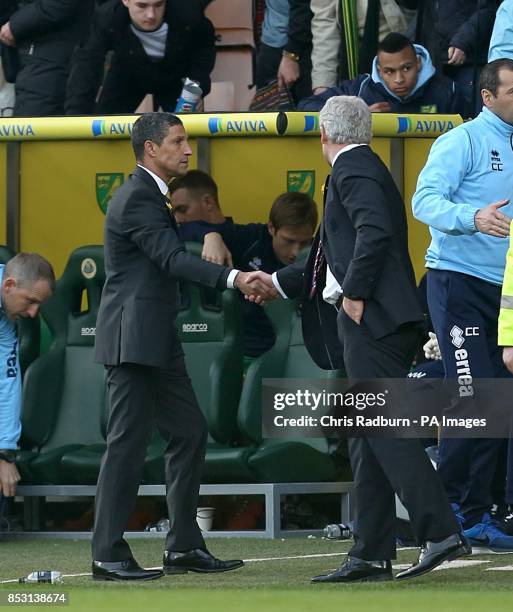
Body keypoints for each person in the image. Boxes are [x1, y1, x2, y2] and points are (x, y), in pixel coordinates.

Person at [272, 95, 466, 582]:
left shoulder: (352, 169)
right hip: (383, 319)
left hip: (372, 321)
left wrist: (355, 293)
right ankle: (371, 550)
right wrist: (276, 282)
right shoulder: (364, 165)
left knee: (381, 427)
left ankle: (438, 530)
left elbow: (372, 232)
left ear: (324, 134)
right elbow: (328, 253)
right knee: (365, 435)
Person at [91, 112, 272, 582]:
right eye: (177, 141)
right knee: (127, 445)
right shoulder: (137, 198)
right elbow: (171, 260)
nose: (187, 149)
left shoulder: (151, 196)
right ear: (151, 149)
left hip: (155, 337)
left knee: (190, 432)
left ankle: (184, 545)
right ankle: (107, 553)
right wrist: (234, 278)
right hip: (133, 339)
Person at [412, 58, 513, 552]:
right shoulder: (463, 140)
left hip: (506, 291)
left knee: (499, 400)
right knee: (474, 397)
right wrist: (472, 216)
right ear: (487, 96)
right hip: (459, 283)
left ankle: (477, 513)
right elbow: (424, 201)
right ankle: (446, 514)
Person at [168, 171, 318, 358]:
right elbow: (174, 233)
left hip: (302, 350)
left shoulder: (319, 254)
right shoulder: (250, 239)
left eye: (304, 243)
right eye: (288, 241)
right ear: (271, 228)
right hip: (249, 351)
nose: (296, 252)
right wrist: (211, 236)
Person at [65, 0, 215, 115]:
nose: (151, 15)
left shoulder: (188, 12)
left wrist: (197, 88)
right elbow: (86, 63)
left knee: (188, 128)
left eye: (158, 5)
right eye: (142, 6)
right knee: (104, 126)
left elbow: (203, 54)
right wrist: (76, 115)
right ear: (126, 1)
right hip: (128, 72)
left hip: (176, 73)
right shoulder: (107, 17)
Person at [0, 253, 55, 518]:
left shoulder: (6, 321)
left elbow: (7, 380)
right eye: (31, 301)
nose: (33, 313)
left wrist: (5, 453)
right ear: (9, 285)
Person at [299, 32, 467, 115]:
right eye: (389, 72)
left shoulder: (448, 91)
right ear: (379, 70)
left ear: (418, 63)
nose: (399, 79)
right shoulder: (360, 88)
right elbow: (306, 106)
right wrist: (357, 113)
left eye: (406, 68)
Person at [0, 0, 94, 116]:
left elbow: (63, 4)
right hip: (33, 60)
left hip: (54, 60)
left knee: (35, 124)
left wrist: (14, 25)